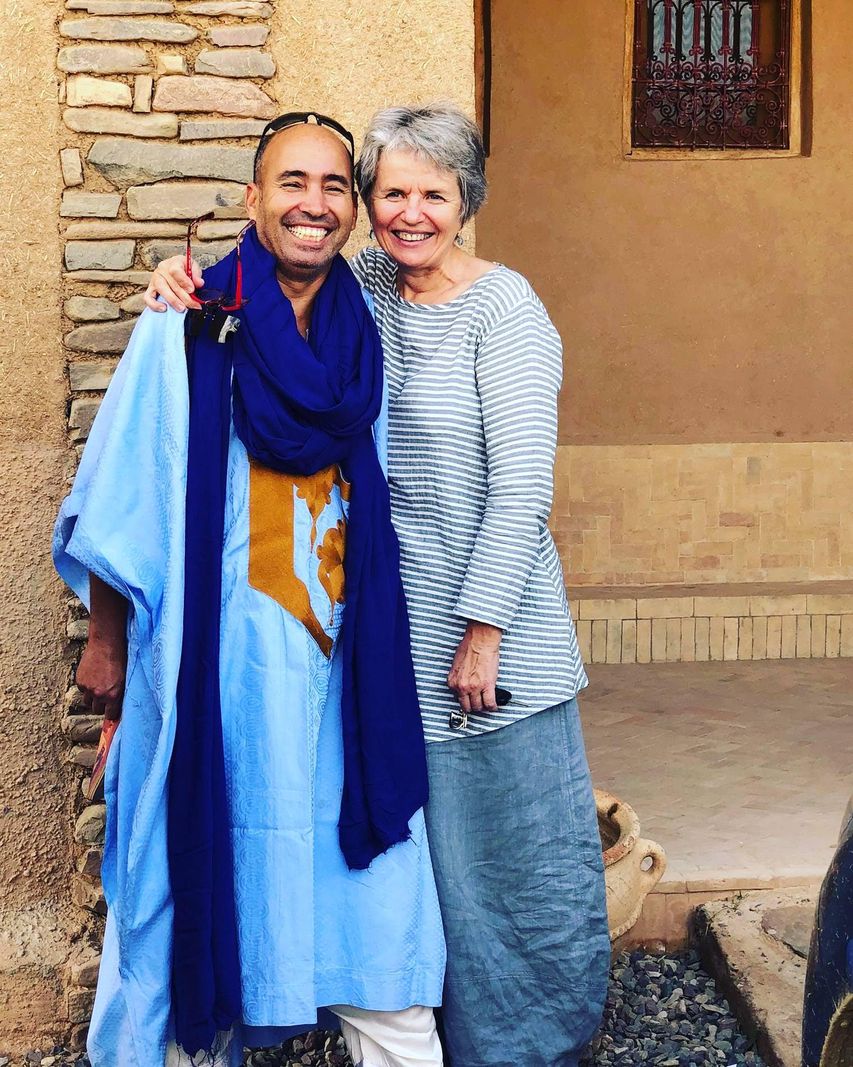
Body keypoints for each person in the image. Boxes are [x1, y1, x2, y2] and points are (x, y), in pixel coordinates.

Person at [147, 103, 610, 1067]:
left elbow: (523, 485)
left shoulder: (505, 308)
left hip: (493, 649)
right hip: (389, 649)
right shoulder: (368, 291)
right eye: (390, 193)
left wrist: (482, 629)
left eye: (431, 195)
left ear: (465, 202)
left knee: (516, 879)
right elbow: (270, 279)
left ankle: (534, 1052)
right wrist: (173, 285)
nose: (409, 214)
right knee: (430, 888)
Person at [54, 113, 446, 1067]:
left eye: (333, 186)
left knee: (380, 913)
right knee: (196, 894)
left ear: (349, 208)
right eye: (291, 183)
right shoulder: (187, 322)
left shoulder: (365, 332)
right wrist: (106, 651)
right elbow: (121, 500)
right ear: (253, 199)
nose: (313, 204)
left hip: (342, 680)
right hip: (212, 677)